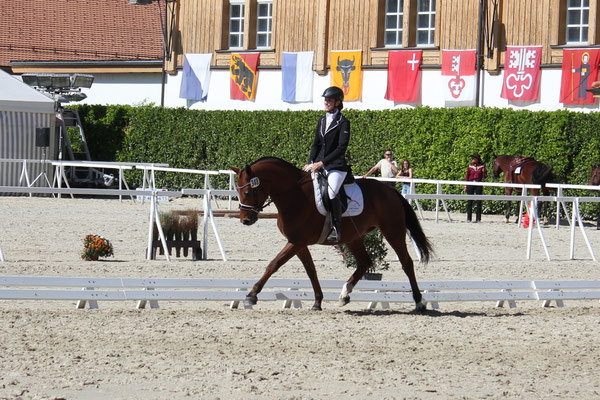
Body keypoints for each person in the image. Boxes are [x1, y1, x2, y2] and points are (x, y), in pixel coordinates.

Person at [303, 86, 350, 243]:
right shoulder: (322, 120)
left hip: (336, 166)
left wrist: (322, 162)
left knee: (331, 193)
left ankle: (336, 229)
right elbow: (316, 144)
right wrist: (311, 162)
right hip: (319, 164)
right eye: (325, 100)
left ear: (337, 102)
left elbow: (341, 148)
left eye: (329, 100)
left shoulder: (343, 122)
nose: (326, 102)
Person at [464, 153, 487, 223]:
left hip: (478, 184)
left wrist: (484, 172)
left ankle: (478, 219)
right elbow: (467, 176)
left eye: (474, 158)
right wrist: (465, 185)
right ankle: (469, 218)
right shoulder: (470, 166)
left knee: (479, 201)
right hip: (470, 183)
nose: (472, 160)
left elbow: (485, 176)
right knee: (469, 201)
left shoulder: (482, 166)